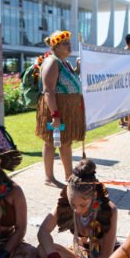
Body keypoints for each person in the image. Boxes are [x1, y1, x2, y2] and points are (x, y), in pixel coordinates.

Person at [34, 159, 117, 258]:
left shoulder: (109, 210)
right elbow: (43, 232)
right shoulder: (65, 204)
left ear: (94, 196)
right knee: (43, 250)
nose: (77, 210)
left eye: (83, 205)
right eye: (73, 205)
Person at [36, 30, 84, 187]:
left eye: (69, 43)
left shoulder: (64, 62)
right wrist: (55, 115)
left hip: (67, 110)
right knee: (50, 142)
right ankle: (49, 178)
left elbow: (65, 80)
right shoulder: (52, 62)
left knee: (66, 142)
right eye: (65, 43)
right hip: (56, 109)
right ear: (55, 47)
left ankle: (69, 176)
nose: (69, 46)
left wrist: (77, 69)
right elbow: (48, 90)